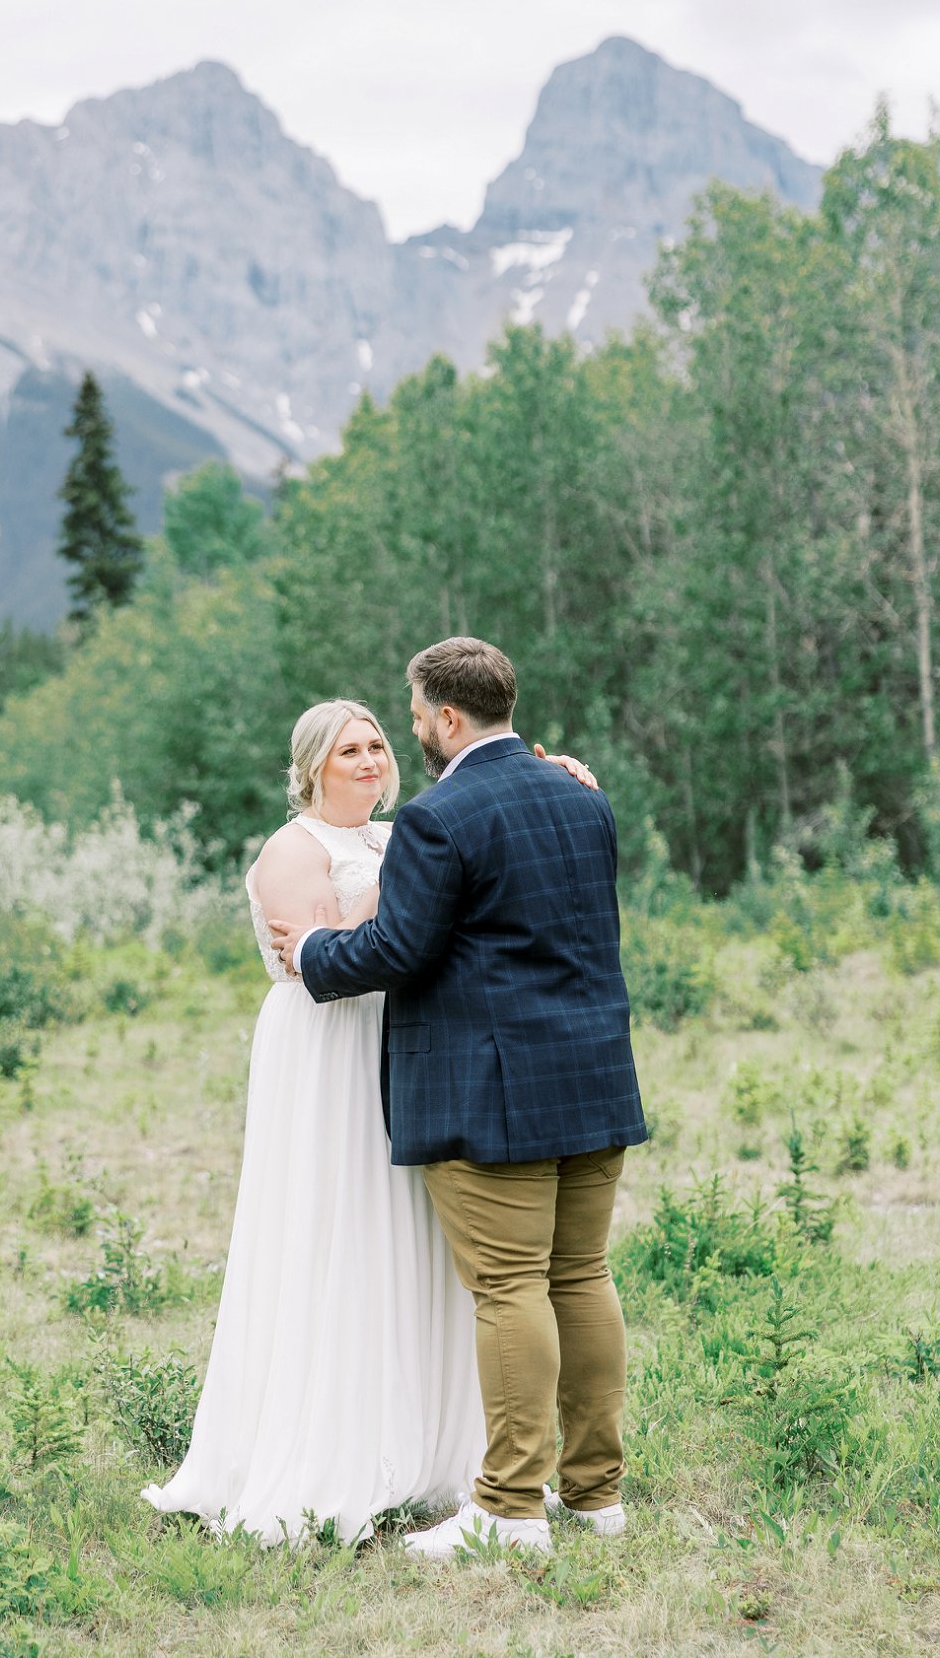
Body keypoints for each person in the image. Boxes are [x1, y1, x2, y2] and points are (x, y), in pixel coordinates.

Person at [140, 696, 593, 1544]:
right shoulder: (292, 847)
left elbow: (414, 921)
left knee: (418, 1239)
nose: (370, 760)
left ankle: (425, 1448)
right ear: (312, 766)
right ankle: (330, 1450)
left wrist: (547, 776)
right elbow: (306, 957)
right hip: (327, 1050)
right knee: (337, 1228)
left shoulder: (403, 834)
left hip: (405, 1040)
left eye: (378, 744)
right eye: (349, 750)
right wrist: (394, 916)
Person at [271, 637, 647, 1561]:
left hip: (495, 1090)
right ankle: (595, 1496)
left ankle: (511, 1509)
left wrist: (312, 955)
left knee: (511, 1286)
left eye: (410, 718)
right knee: (582, 1278)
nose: (406, 735)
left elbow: (400, 949)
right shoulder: (582, 795)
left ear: (445, 718)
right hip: (593, 1070)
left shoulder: (441, 817)